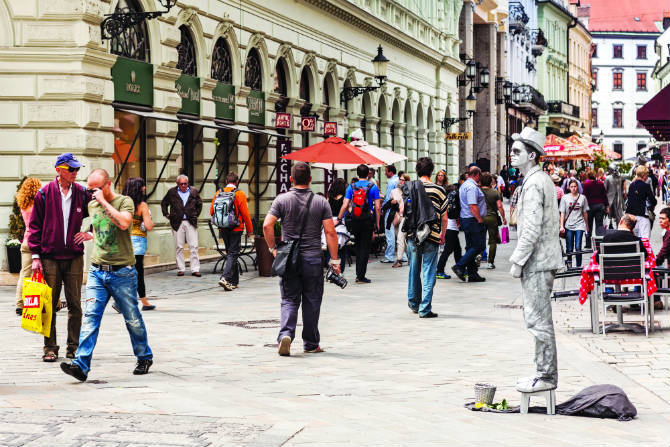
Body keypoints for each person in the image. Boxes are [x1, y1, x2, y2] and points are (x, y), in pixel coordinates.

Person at [60, 169, 153, 382]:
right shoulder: (91, 205)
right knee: (91, 318)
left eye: (97, 188)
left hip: (123, 272)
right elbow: (100, 228)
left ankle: (144, 356)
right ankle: (81, 366)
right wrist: (89, 234)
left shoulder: (124, 201)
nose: (93, 193)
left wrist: (103, 202)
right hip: (97, 271)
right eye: (91, 189)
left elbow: (124, 223)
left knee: (132, 319)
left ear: (108, 184)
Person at [263, 162, 340, 356]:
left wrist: (273, 248)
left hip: (290, 259)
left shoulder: (282, 200)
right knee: (312, 300)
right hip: (313, 258)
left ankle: (286, 335)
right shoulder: (321, 202)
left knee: (289, 298)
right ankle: (311, 343)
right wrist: (335, 260)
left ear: (291, 179)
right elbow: (330, 232)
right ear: (310, 179)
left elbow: (267, 225)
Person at [508, 127, 563, 394]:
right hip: (543, 259)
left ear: (532, 155)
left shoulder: (534, 184)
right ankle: (544, 373)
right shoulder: (540, 181)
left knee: (538, 319)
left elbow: (530, 228)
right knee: (538, 318)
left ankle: (546, 375)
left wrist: (517, 260)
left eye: (517, 151)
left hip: (538, 261)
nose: (511, 154)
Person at [29, 153, 92, 362]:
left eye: (77, 170)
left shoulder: (83, 193)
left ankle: (73, 347)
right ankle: (50, 348)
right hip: (49, 257)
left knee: (75, 304)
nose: (75, 173)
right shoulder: (44, 194)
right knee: (49, 304)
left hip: (74, 256)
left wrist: (89, 233)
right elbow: (34, 227)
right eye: (72, 169)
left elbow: (101, 213)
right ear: (59, 170)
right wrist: (36, 256)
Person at [406, 157, 448, 318]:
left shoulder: (410, 187)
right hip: (432, 234)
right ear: (431, 171)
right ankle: (425, 308)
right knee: (429, 271)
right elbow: (444, 217)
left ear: (417, 171)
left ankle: (414, 302)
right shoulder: (439, 190)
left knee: (414, 269)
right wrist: (443, 234)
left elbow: (404, 210)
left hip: (413, 234)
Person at [336, 164, 381, 284]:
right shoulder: (373, 187)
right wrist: (377, 223)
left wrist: (339, 218)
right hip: (367, 220)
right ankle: (361, 276)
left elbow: (345, 204)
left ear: (357, 174)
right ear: (368, 174)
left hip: (355, 220)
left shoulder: (351, 187)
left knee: (358, 245)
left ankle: (358, 273)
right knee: (365, 248)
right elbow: (377, 207)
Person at [210, 172, 253, 291]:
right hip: (236, 228)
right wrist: (250, 230)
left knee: (230, 253)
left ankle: (234, 282)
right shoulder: (239, 194)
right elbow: (245, 214)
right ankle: (225, 278)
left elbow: (211, 211)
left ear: (226, 182)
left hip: (223, 227)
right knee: (233, 253)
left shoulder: (218, 193)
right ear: (237, 182)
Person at [122, 178, 155, 310]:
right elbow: (149, 225)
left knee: (125, 272)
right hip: (138, 242)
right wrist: (150, 220)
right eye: (142, 186)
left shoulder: (123, 204)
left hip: (124, 242)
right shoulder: (142, 206)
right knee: (138, 273)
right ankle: (142, 301)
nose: (144, 188)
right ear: (137, 188)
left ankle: (123, 301)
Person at [161, 175, 203, 277]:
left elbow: (199, 204)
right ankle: (181, 269)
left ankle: (195, 269)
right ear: (177, 184)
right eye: (181, 184)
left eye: (185, 183)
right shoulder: (172, 192)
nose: (183, 185)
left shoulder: (193, 191)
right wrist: (166, 214)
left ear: (187, 183)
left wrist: (195, 214)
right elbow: (164, 203)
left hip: (190, 221)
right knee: (179, 247)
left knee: (194, 246)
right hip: (177, 222)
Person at [452, 166, 486, 282]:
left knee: (471, 246)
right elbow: (472, 205)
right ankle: (460, 265)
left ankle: (472, 274)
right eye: (479, 175)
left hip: (466, 219)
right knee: (479, 245)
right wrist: (479, 219)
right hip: (472, 219)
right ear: (476, 175)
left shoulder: (464, 185)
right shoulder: (471, 187)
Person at [14, 177, 42, 315]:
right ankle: (53, 302)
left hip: (26, 241)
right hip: (38, 241)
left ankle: (20, 304)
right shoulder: (38, 204)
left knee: (24, 274)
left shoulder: (23, 205)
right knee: (47, 273)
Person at [559, 179, 589, 267]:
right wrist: (561, 226)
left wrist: (587, 226)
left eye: (575, 186)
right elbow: (562, 213)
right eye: (571, 187)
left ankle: (578, 266)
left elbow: (585, 212)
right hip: (568, 225)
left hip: (579, 224)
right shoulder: (565, 198)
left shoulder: (583, 198)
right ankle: (569, 264)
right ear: (569, 187)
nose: (573, 188)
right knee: (569, 247)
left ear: (577, 187)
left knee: (578, 246)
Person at [435, 183, 462, 279]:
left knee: (457, 250)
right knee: (448, 250)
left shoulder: (446, 200)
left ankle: (460, 268)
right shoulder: (452, 201)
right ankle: (439, 270)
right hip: (451, 229)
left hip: (451, 228)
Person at [481, 173, 506, 270]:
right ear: (490, 182)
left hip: (480, 218)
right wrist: (503, 218)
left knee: (480, 239)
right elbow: (499, 206)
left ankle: (478, 258)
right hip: (492, 218)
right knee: (492, 241)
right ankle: (490, 262)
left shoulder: (478, 191)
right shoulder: (495, 193)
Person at [625, 165, 656, 240]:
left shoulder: (632, 185)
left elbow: (629, 198)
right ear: (644, 175)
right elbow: (653, 200)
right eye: (647, 175)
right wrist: (652, 207)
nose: (647, 177)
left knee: (635, 238)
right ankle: (644, 251)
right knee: (645, 238)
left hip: (631, 216)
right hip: (642, 215)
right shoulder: (646, 186)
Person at [582, 170, 609, 248]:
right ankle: (599, 242)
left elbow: (584, 196)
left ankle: (588, 244)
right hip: (600, 207)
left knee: (588, 225)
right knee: (599, 225)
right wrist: (607, 206)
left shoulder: (586, 185)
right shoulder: (600, 184)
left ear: (588, 176)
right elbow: (604, 195)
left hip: (589, 207)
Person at [389, 174, 410, 268]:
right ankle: (410, 257)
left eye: (403, 180)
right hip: (396, 217)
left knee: (400, 238)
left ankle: (399, 260)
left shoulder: (409, 192)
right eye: (400, 180)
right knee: (401, 239)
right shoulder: (393, 191)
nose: (400, 181)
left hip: (405, 217)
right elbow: (390, 203)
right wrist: (392, 202)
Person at [382, 165, 399, 263]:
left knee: (390, 233)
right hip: (398, 211)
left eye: (386, 171)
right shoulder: (398, 180)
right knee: (399, 234)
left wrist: (383, 208)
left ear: (390, 172)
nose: (385, 173)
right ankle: (403, 256)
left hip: (390, 211)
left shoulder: (391, 182)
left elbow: (389, 198)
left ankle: (389, 256)